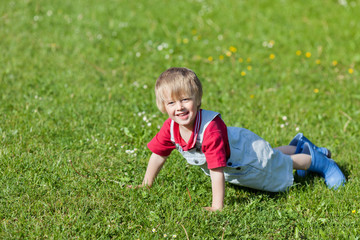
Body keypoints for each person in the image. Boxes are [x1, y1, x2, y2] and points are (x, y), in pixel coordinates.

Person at [136, 67, 346, 211]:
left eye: (185, 99)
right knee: (271, 154)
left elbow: (215, 169)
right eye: (171, 103)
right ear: (163, 107)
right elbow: (158, 155)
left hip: (245, 157)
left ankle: (321, 163)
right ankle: (300, 145)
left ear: (197, 99)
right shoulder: (170, 128)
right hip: (238, 154)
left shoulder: (210, 131)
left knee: (277, 163)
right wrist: (147, 184)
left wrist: (217, 206)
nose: (179, 107)